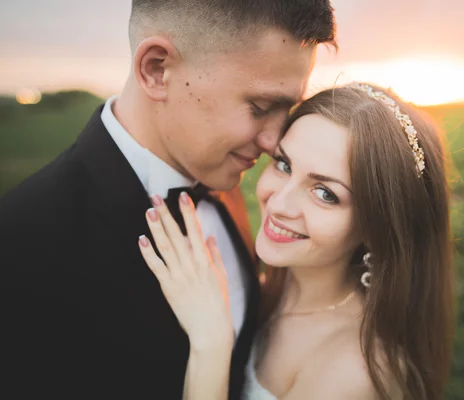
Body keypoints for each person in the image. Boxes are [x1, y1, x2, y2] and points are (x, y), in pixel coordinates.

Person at [0, 1, 336, 399]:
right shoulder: (22, 242)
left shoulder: (224, 183)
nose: (274, 143)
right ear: (156, 69)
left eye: (288, 110)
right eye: (260, 107)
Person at [139, 83, 455, 400]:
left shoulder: (355, 373)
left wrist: (211, 345)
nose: (278, 205)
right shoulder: (265, 288)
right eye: (284, 165)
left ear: (376, 227)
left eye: (325, 194)